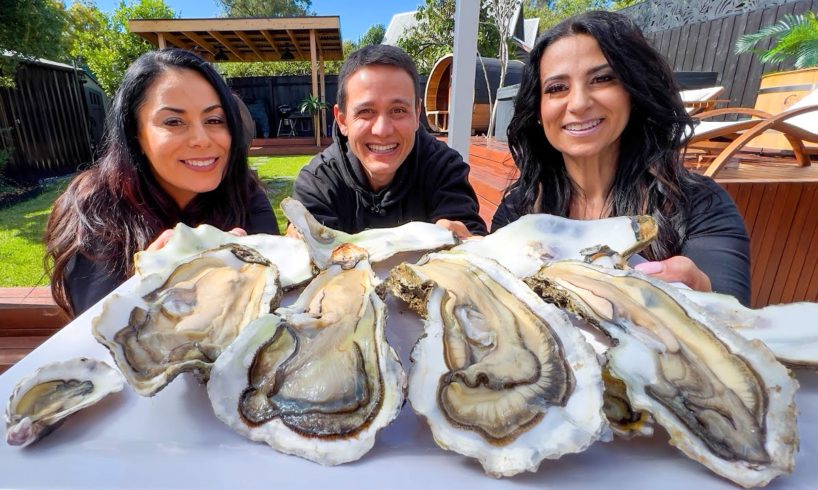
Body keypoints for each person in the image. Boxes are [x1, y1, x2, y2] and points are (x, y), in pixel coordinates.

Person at [492, 11, 750, 305]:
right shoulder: (518, 210)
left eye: (602, 79)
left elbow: (736, 323)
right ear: (538, 110)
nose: (578, 103)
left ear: (633, 91)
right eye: (557, 88)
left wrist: (708, 296)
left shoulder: (701, 206)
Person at [45, 48, 279, 317]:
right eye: (174, 121)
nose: (202, 139)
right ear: (136, 134)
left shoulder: (243, 193)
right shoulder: (95, 210)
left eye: (214, 119)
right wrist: (148, 286)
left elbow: (273, 292)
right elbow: (99, 332)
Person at [292, 44, 487, 238]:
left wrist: (466, 240)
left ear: (417, 113)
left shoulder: (443, 167)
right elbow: (309, 256)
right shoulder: (318, 182)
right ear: (342, 120)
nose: (383, 130)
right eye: (366, 112)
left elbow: (470, 233)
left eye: (398, 110)